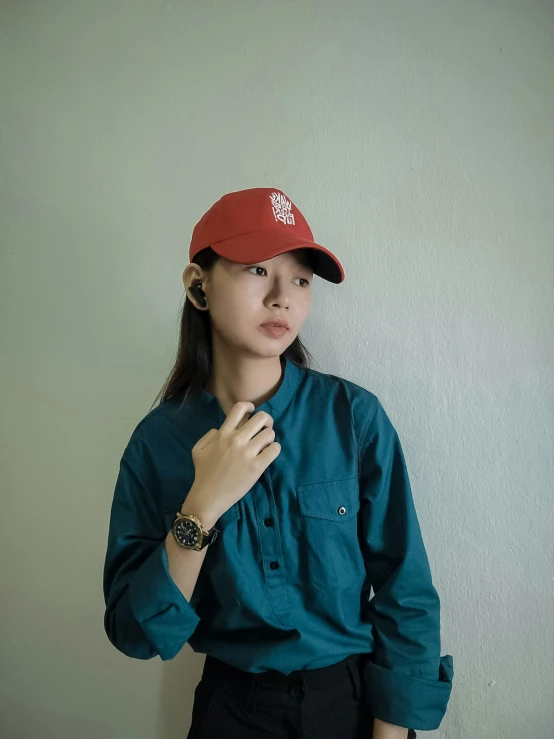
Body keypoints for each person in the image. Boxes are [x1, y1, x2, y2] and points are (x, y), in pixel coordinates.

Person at [102, 187, 454, 739]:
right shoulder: (156, 445)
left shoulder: (354, 418)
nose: (282, 298)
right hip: (231, 713)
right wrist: (204, 503)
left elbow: (404, 590)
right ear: (199, 286)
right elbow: (137, 633)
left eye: (301, 279)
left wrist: (390, 732)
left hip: (355, 706)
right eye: (257, 270)